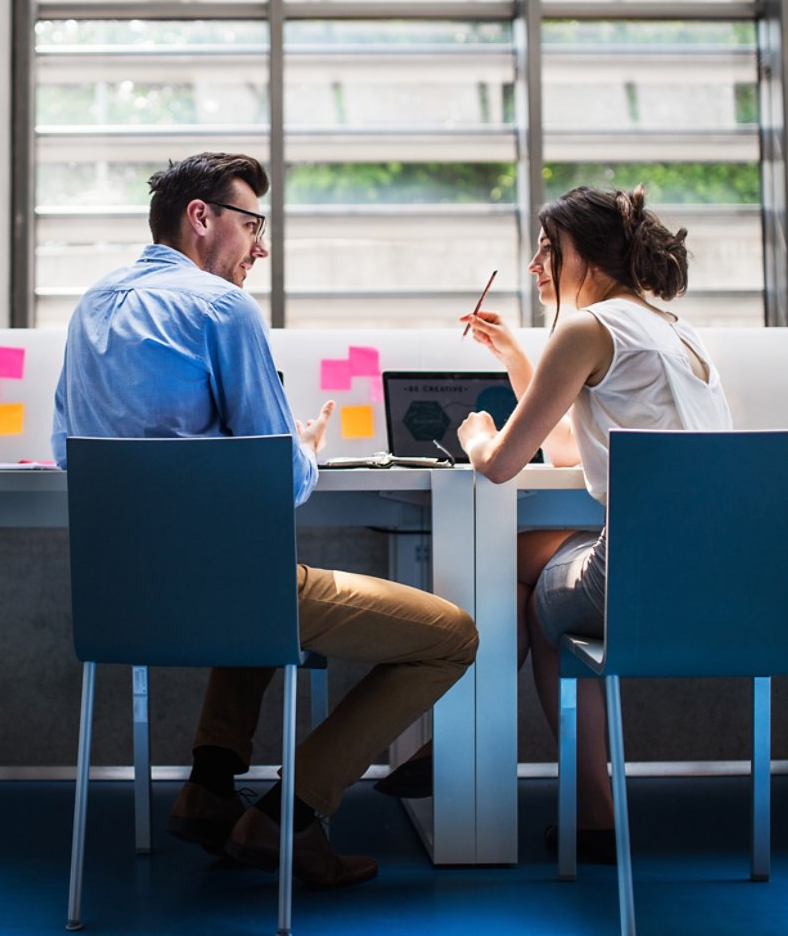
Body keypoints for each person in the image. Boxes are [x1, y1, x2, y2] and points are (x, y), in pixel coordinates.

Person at [50, 152, 479, 888]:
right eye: (252, 225)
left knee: (251, 567)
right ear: (201, 218)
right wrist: (303, 450)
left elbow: (68, 453)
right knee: (453, 637)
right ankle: (291, 817)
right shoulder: (222, 309)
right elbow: (277, 482)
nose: (261, 247)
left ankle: (210, 788)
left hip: (117, 598)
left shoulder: (90, 307)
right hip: (220, 592)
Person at [377, 184, 732, 863]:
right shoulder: (675, 329)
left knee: (537, 602)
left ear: (585, 255)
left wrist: (477, 432)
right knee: (522, 564)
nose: (537, 265)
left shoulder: (587, 327)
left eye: (547, 249)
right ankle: (549, 792)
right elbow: (570, 445)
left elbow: (503, 464)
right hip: (727, 581)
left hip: (645, 579)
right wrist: (517, 356)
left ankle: (465, 739)